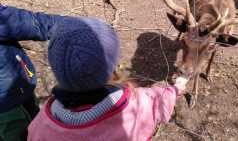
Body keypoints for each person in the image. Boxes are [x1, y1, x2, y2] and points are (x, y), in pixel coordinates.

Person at [27, 10, 190, 140]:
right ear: (110, 69)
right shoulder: (134, 107)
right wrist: (176, 89)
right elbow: (158, 100)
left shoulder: (41, 124)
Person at [0, 4, 65, 141]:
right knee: (20, 133)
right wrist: (74, 26)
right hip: (8, 104)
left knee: (35, 122)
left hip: (16, 89)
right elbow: (33, 24)